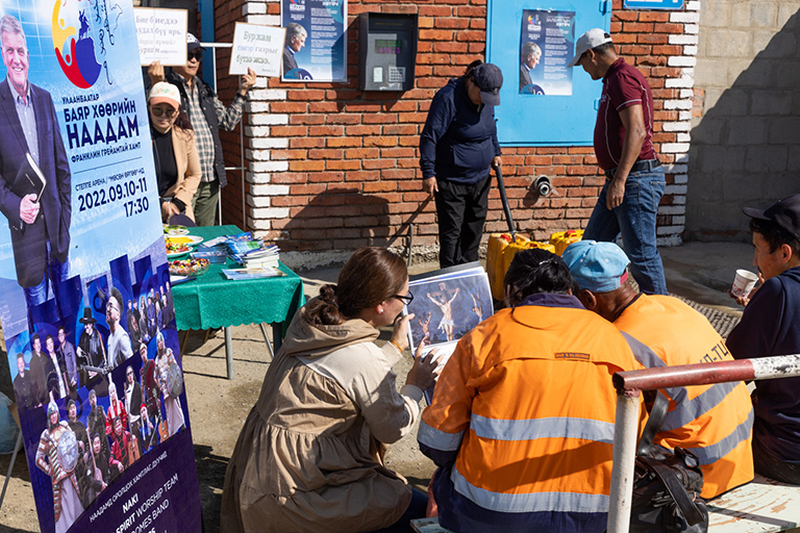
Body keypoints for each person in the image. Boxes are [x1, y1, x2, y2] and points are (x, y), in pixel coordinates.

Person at [418, 248, 651, 532]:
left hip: (491, 514)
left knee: (443, 479)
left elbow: (439, 442)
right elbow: (635, 432)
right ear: (570, 291)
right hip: (595, 514)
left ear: (510, 290)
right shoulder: (613, 339)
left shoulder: (484, 337)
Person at [221, 247, 440, 533]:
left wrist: (394, 347)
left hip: (260, 472)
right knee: (417, 511)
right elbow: (392, 427)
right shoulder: (363, 358)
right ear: (381, 305)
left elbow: (347, 375)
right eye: (404, 298)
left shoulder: (311, 317)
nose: (405, 306)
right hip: (299, 489)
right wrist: (415, 384)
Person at [563, 240, 754, 498]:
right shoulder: (672, 305)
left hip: (695, 476)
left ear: (588, 299)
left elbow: (616, 428)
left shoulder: (620, 343)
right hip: (740, 459)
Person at [568, 28, 667, 295]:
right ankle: (593, 308)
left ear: (592, 54)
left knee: (642, 257)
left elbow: (636, 130)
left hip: (634, 180)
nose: (583, 69)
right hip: (622, 179)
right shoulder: (614, 79)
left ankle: (662, 321)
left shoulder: (622, 78)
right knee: (591, 247)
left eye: (582, 62)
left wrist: (620, 180)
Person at [0, 15, 72, 319]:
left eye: (21, 51)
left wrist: (65, 218)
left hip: (58, 233)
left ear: (28, 55)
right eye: (9, 51)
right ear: (3, 55)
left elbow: (61, 166)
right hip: (27, 240)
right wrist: (16, 207)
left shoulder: (44, 98)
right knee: (40, 321)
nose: (17, 59)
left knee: (69, 313)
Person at [726, 194, 800, 484]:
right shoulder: (778, 294)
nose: (754, 260)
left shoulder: (779, 292)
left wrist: (763, 308)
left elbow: (731, 370)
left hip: (785, 452)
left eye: (758, 250)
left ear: (784, 253)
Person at [147, 33, 256, 226]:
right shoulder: (166, 86)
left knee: (205, 237)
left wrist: (243, 92)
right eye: (189, 54)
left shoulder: (205, 88)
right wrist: (157, 84)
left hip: (209, 178)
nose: (194, 59)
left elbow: (229, 123)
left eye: (198, 54)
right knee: (181, 237)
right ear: (175, 56)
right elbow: (155, 120)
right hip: (181, 183)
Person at [419, 61, 503, 268]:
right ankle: (449, 278)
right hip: (452, 181)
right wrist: (429, 172)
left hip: (481, 179)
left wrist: (496, 151)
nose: (483, 102)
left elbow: (491, 128)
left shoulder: (486, 98)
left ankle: (468, 275)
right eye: (481, 96)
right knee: (452, 235)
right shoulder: (448, 98)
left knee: (474, 231)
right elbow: (430, 137)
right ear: (471, 81)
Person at [147, 81, 201, 223]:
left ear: (177, 113)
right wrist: (159, 204)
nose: (163, 115)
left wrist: (178, 202)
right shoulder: (136, 139)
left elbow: (194, 174)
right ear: (148, 108)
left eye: (170, 110)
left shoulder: (185, 137)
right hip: (146, 210)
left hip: (177, 210)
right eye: (157, 110)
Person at [36, 402, 83, 533]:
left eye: (55, 413)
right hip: (59, 479)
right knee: (65, 511)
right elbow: (38, 459)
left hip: (71, 473)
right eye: (51, 414)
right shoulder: (45, 435)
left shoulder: (64, 426)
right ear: (49, 417)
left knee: (77, 506)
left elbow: (72, 441)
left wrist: (77, 446)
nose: (54, 416)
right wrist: (50, 470)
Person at [157, 345, 185, 437]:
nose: (159, 344)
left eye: (160, 341)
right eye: (158, 342)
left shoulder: (168, 352)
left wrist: (172, 378)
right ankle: (172, 433)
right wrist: (160, 386)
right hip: (165, 388)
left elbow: (174, 365)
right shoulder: (157, 359)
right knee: (168, 411)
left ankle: (183, 426)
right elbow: (155, 376)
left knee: (177, 405)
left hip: (171, 384)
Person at [77, 307, 106, 384]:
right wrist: (78, 351)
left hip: (98, 377)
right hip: (88, 377)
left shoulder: (98, 336)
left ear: (91, 324)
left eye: (86, 324)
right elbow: (79, 349)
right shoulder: (83, 335)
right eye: (84, 324)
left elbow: (104, 359)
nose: (85, 326)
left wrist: (96, 371)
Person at [106, 287, 132, 368]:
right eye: (107, 305)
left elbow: (132, 364)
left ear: (118, 314)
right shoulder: (110, 338)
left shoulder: (122, 337)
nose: (107, 309)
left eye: (110, 306)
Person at [124, 365, 144, 455]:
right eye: (128, 374)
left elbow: (141, 401)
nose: (130, 375)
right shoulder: (127, 392)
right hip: (131, 423)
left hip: (138, 421)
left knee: (142, 445)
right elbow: (126, 409)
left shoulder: (137, 386)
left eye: (131, 373)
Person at [57, 327, 78, 392]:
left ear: (65, 335)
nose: (61, 336)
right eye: (59, 334)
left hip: (72, 379)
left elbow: (74, 363)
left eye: (62, 333)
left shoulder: (70, 346)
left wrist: (75, 378)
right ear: (58, 337)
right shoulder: (58, 351)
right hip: (65, 382)